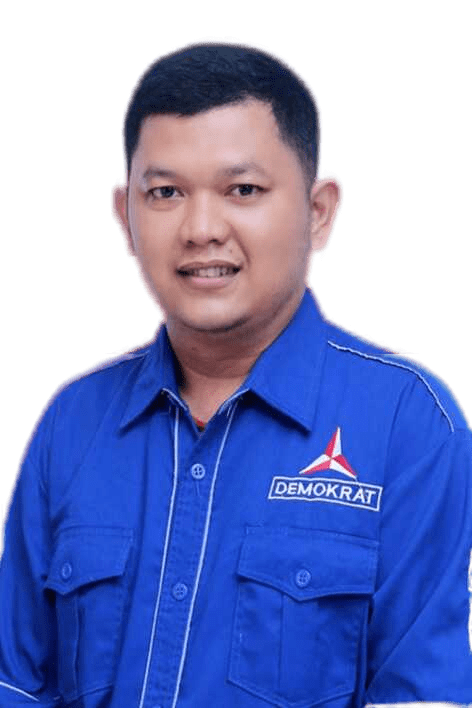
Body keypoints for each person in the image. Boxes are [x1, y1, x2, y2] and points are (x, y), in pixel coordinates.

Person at [0, 43, 471, 708]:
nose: (200, 229)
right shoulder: (73, 423)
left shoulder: (408, 424)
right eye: (165, 193)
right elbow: (18, 683)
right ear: (126, 216)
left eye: (242, 190)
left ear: (317, 212)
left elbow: (422, 695)